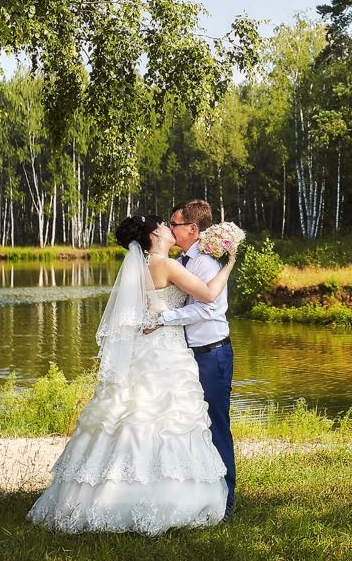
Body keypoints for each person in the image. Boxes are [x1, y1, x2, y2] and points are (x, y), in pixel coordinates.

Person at [26, 215, 233, 534]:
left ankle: (101, 492)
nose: (168, 228)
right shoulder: (166, 264)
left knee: (128, 415)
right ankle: (168, 497)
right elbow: (207, 295)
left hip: (144, 349)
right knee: (166, 420)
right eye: (164, 225)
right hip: (166, 351)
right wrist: (229, 265)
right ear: (155, 235)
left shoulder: (139, 267)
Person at [143, 198, 236, 517]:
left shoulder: (205, 263)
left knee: (216, 424)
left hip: (211, 352)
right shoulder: (180, 260)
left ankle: (227, 500)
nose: (170, 228)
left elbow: (208, 308)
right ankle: (200, 494)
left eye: (175, 223)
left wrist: (164, 319)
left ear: (192, 229)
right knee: (192, 426)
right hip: (186, 355)